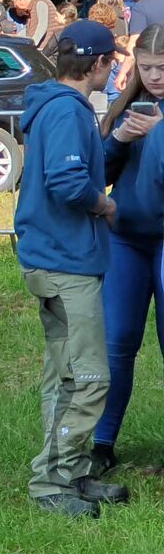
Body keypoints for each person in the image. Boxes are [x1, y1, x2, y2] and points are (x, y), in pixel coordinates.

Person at [12, 20, 128, 518]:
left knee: (64, 372)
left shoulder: (56, 104)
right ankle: (51, 480)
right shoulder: (64, 110)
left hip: (53, 256)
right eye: (113, 62)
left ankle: (74, 470)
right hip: (65, 261)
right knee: (88, 377)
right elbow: (66, 180)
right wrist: (103, 206)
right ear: (99, 64)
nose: (113, 69)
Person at [89, 24, 164, 473]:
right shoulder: (126, 107)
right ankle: (102, 444)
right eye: (149, 68)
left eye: (163, 68)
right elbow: (96, 174)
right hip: (127, 238)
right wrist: (119, 138)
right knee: (116, 341)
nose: (155, 76)